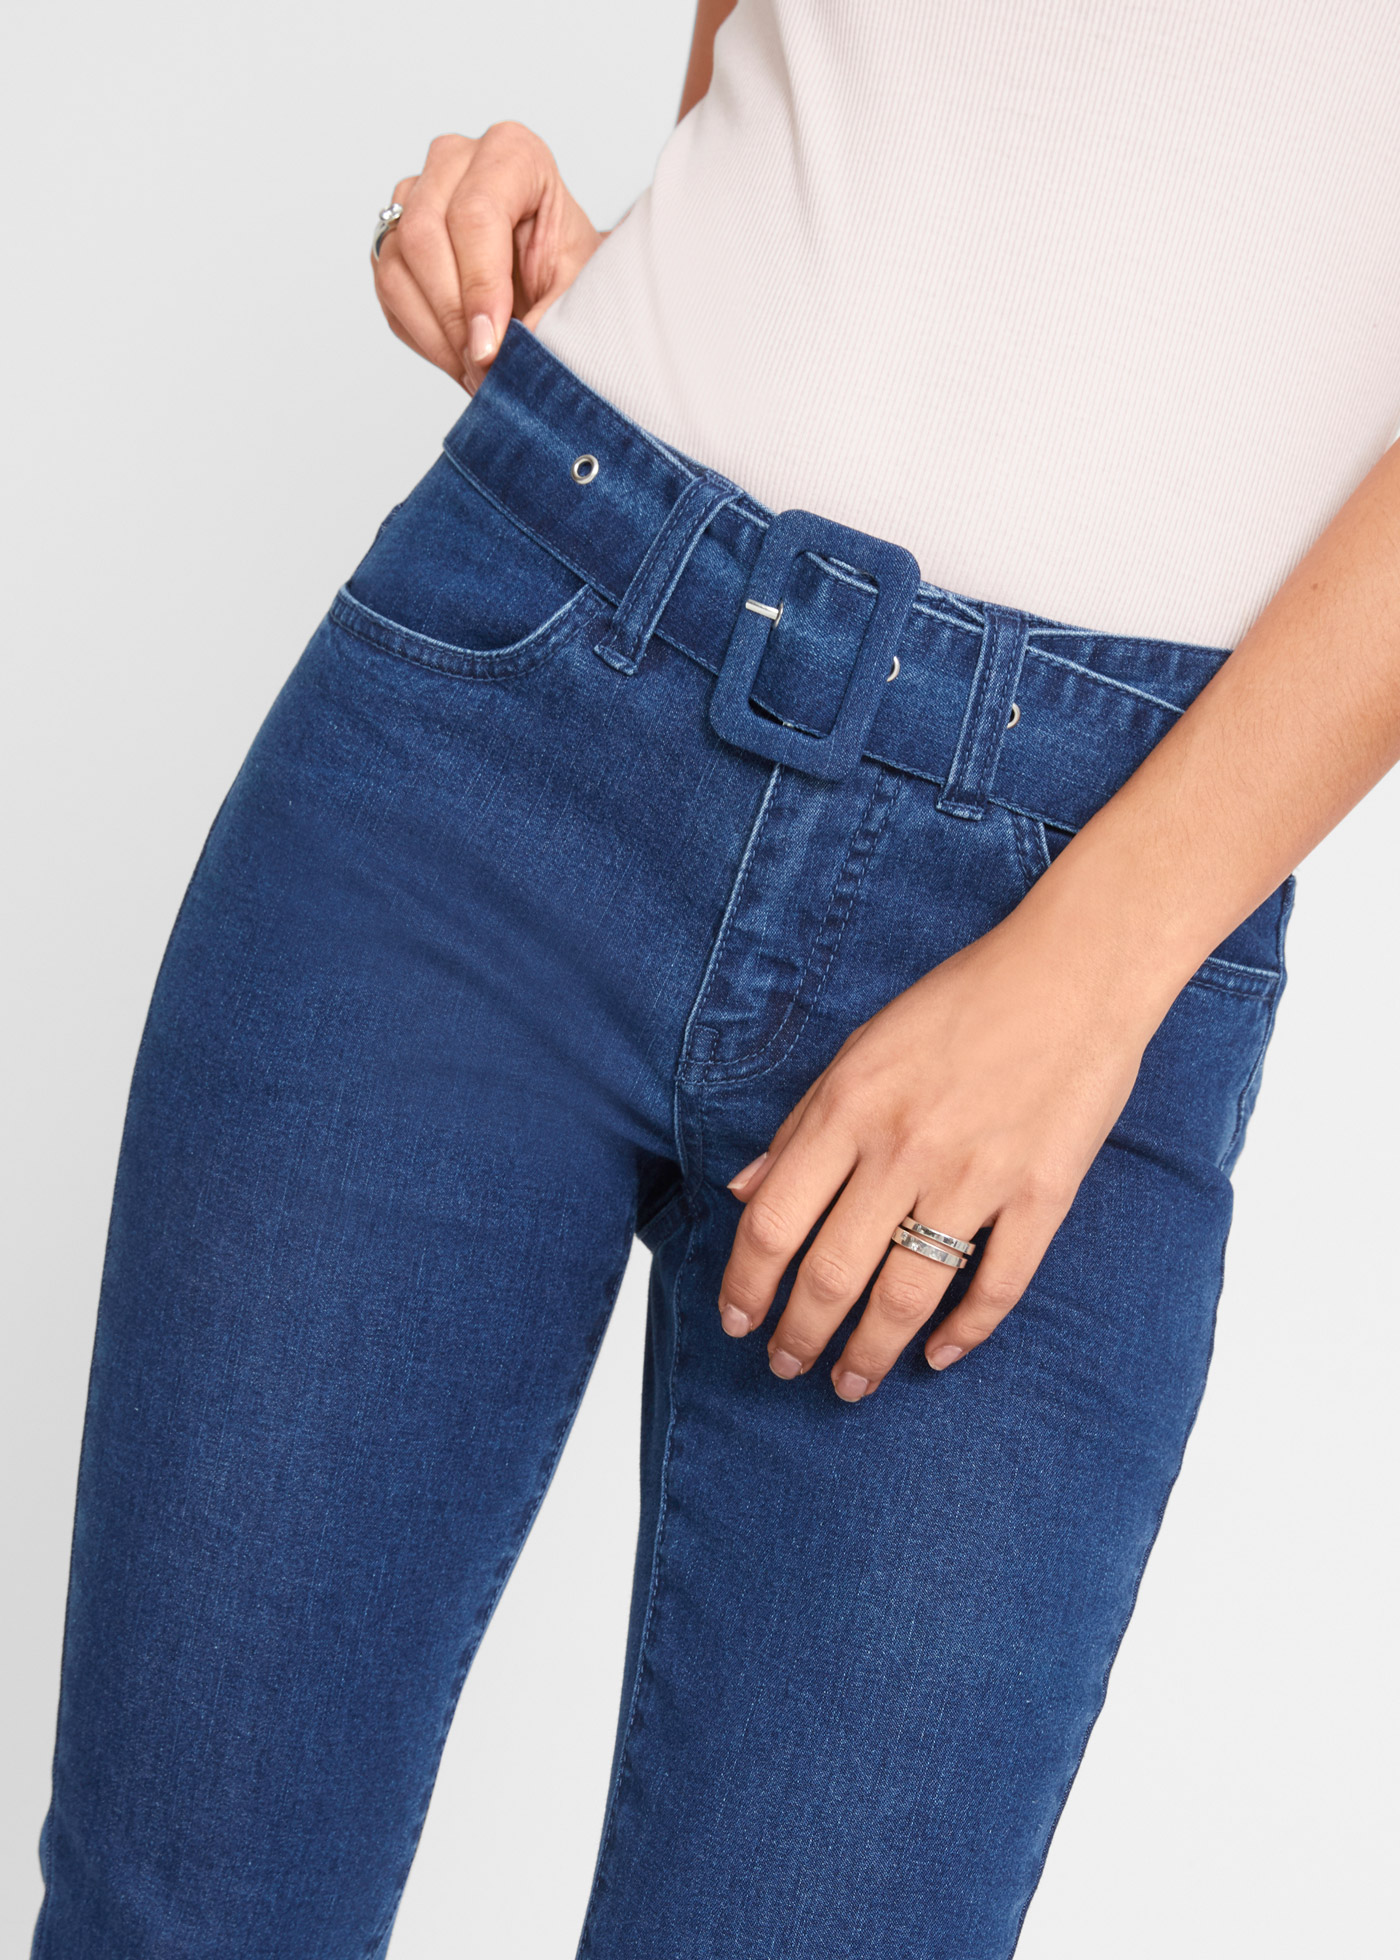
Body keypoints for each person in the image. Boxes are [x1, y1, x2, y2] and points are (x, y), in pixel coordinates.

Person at [30, 2, 1400, 1954]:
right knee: (174, 1920)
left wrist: (1091, 972)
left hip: (1086, 880)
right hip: (528, 651)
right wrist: (635, 270)